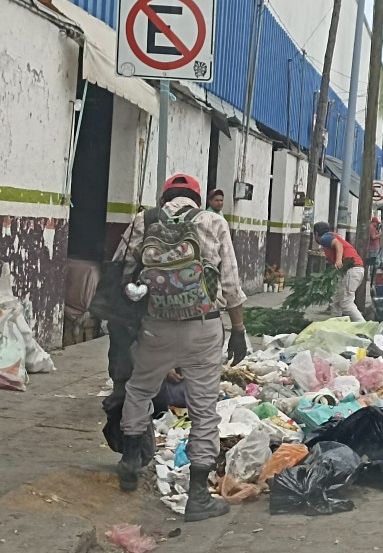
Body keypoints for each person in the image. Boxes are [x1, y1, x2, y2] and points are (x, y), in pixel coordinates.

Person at [116, 174, 248, 523]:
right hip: (202, 327)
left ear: (165, 197)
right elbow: (231, 284)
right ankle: (199, 497)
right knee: (204, 408)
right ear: (196, 198)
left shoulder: (144, 220)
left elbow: (123, 271)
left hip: (155, 325)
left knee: (139, 388)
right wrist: (238, 330)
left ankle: (130, 461)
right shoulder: (213, 221)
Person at [313, 221, 365, 322]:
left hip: (352, 269)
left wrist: (338, 260)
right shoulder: (330, 236)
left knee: (346, 304)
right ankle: (336, 326)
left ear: (316, 234)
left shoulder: (324, 238)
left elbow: (338, 245)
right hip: (352, 271)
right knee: (336, 302)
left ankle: (365, 326)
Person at [367, 216, 382, 285]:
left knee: (374, 262)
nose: (377, 224)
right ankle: (372, 277)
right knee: (373, 263)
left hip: (374, 248)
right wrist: (379, 235)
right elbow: (373, 237)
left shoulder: (373, 228)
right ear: (374, 222)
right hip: (373, 248)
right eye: (377, 223)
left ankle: (372, 276)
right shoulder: (372, 228)